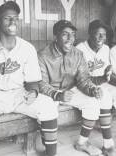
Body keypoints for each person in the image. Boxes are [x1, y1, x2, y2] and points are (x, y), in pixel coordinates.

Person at [0, 1, 56, 156]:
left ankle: (52, 154)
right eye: (8, 18)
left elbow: (33, 80)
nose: (13, 22)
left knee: (48, 105)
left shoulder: (27, 48)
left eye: (15, 18)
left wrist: (33, 92)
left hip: (18, 93)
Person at [38, 20, 103, 156]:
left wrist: (92, 89)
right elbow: (41, 84)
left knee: (93, 102)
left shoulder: (78, 54)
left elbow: (83, 80)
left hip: (70, 90)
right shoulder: (43, 55)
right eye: (65, 34)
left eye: (72, 35)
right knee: (46, 110)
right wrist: (57, 95)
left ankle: (82, 143)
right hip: (50, 93)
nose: (70, 39)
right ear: (56, 36)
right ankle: (49, 151)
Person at [76, 19, 116, 156]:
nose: (101, 38)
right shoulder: (80, 49)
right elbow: (80, 79)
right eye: (97, 34)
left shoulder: (106, 49)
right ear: (90, 33)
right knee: (105, 97)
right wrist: (105, 78)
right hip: (87, 84)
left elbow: (107, 73)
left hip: (103, 81)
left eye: (103, 35)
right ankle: (108, 145)